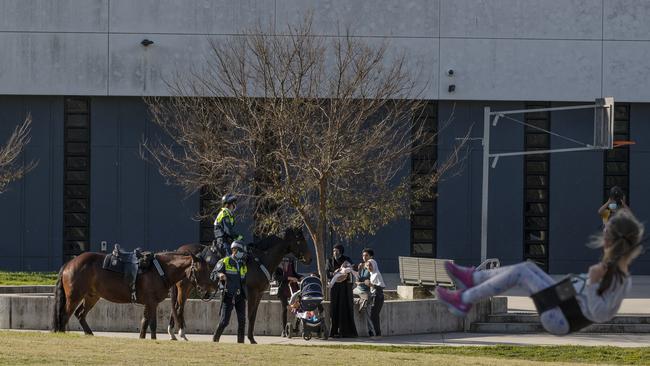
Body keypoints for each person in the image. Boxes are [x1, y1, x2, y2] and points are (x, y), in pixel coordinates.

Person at [436, 208, 644, 335]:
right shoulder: (610, 270)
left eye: (605, 232)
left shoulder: (621, 281)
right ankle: (472, 280)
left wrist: (591, 282)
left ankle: (466, 294)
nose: (602, 234)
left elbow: (600, 315)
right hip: (560, 301)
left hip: (561, 317)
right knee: (527, 267)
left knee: (522, 273)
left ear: (611, 240)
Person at [211, 240, 248, 343]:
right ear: (234, 250)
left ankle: (240, 343)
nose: (242, 253)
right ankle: (215, 339)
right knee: (224, 321)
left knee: (242, 321)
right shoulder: (225, 261)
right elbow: (213, 275)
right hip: (228, 295)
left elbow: (243, 280)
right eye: (241, 251)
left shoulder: (242, 265)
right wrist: (220, 275)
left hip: (240, 296)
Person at [326, 244, 358, 338]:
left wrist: (345, 275)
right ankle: (334, 331)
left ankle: (346, 332)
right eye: (333, 251)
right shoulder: (330, 260)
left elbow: (352, 268)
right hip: (335, 288)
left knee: (344, 307)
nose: (334, 252)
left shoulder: (346, 259)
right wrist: (334, 273)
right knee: (334, 308)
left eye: (336, 251)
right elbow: (328, 272)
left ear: (340, 251)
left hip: (345, 288)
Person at [358, 248, 386, 338]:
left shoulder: (376, 274)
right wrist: (363, 283)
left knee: (374, 315)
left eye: (370, 266)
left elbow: (381, 286)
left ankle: (377, 334)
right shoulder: (373, 274)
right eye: (367, 266)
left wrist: (370, 285)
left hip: (377, 295)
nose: (369, 268)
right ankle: (378, 333)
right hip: (375, 295)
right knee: (374, 315)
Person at [273, 256, 302, 337]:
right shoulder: (277, 261)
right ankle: (284, 330)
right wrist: (289, 278)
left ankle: (296, 328)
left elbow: (294, 273)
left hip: (293, 287)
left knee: (299, 307)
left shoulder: (290, 260)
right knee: (285, 308)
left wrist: (300, 277)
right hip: (283, 289)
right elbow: (276, 277)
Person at [213, 193, 243, 258]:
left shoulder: (228, 214)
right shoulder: (224, 213)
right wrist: (237, 237)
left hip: (227, 240)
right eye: (234, 203)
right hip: (223, 242)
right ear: (230, 204)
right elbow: (228, 230)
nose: (235, 205)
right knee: (230, 258)